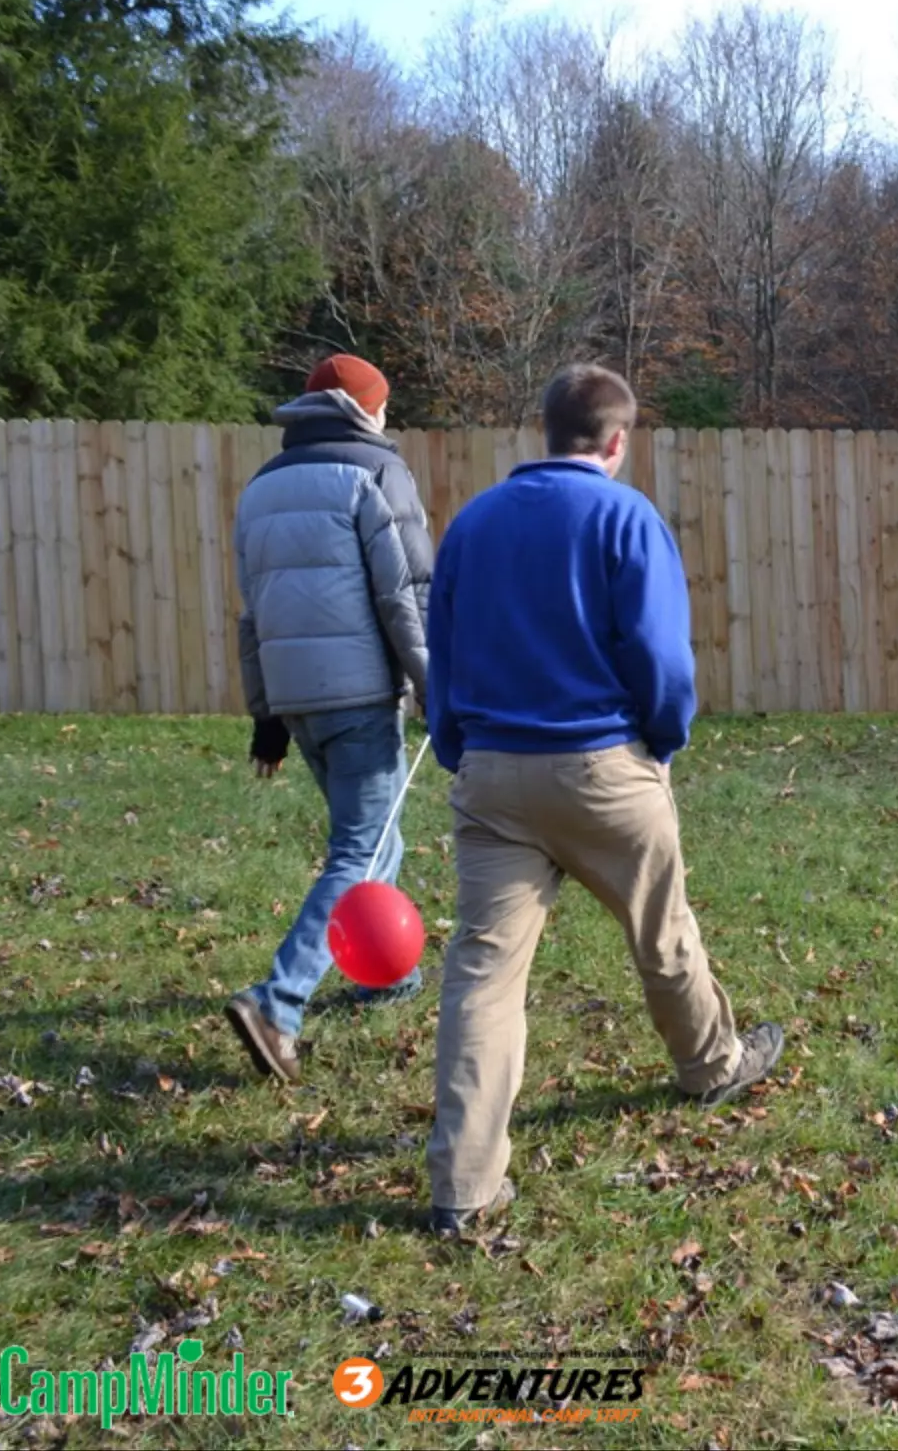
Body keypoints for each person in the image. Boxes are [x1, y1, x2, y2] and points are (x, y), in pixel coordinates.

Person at [423, 362, 781, 1235]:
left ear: (545, 432)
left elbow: (444, 649)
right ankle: (710, 1066)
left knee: (483, 975)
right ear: (618, 442)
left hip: (494, 777)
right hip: (604, 771)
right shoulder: (627, 517)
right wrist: (663, 740)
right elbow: (660, 657)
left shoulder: (473, 523)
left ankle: (464, 1188)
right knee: (661, 935)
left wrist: (459, 745)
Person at [226, 353, 433, 1082]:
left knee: (378, 837)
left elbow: (253, 617)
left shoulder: (262, 486)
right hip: (359, 697)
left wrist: (266, 720)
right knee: (360, 850)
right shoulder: (377, 471)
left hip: (296, 702)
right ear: (365, 409)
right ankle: (277, 1005)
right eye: (383, 405)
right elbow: (405, 593)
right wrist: (437, 686)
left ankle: (387, 976)